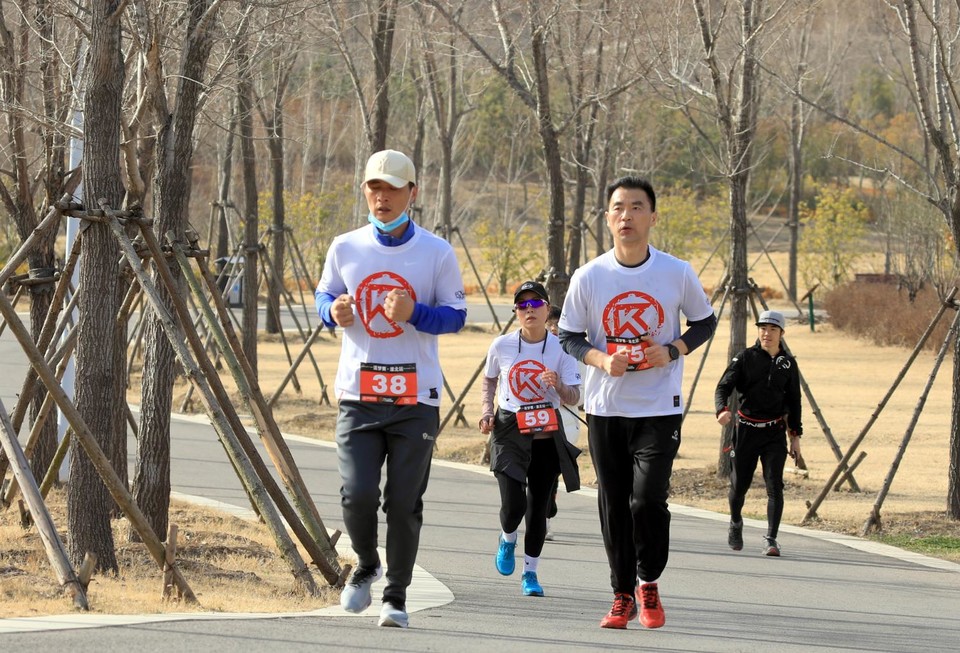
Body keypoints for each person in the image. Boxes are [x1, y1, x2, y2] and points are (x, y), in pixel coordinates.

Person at [314, 149, 467, 629]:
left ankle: (396, 596)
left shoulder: (437, 252)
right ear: (365, 191)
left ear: (412, 193)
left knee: (402, 503)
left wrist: (414, 313)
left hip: (415, 399)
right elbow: (324, 293)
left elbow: (456, 316)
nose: (382, 198)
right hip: (358, 395)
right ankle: (367, 563)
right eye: (374, 188)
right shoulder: (345, 246)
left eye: (393, 189)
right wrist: (331, 312)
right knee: (356, 494)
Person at [558, 176, 716, 630]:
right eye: (618, 207)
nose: (626, 215)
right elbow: (568, 335)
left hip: (659, 407)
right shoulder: (589, 276)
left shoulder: (676, 272)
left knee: (646, 500)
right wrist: (601, 359)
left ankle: (648, 581)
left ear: (653, 217)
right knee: (613, 504)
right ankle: (621, 594)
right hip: (606, 408)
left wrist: (672, 350)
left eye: (636, 207)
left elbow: (704, 323)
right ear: (607, 218)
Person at [479, 281, 581, 598]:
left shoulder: (562, 348)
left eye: (535, 304)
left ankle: (530, 573)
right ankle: (507, 538)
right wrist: (487, 411)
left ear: (547, 309)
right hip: (509, 428)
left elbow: (574, 396)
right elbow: (489, 380)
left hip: (546, 431)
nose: (529, 310)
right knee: (514, 505)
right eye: (522, 305)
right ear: (516, 312)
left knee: (538, 508)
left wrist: (559, 386)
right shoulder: (501, 345)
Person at [714, 309, 803, 557]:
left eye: (773, 329)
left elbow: (795, 402)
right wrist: (721, 410)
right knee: (738, 487)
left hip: (774, 433)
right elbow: (723, 387)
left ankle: (771, 539)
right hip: (746, 431)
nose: (767, 333)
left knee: (775, 485)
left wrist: (795, 437)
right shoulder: (745, 357)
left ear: (781, 333)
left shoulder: (788, 363)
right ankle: (735, 521)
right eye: (763, 328)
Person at [544, 306, 585, 540]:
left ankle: (545, 518)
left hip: (564, 424)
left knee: (550, 474)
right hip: (529, 422)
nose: (553, 330)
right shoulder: (526, 350)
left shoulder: (576, 354)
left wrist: (563, 394)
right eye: (549, 325)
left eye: (558, 326)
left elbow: (582, 395)